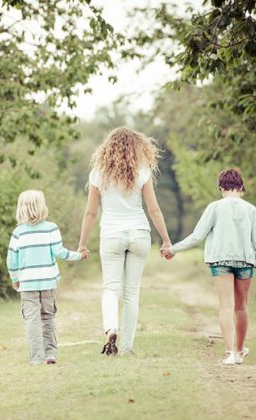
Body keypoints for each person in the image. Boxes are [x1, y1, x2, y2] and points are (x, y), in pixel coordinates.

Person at [77, 127, 172, 356]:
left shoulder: (98, 174)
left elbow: (90, 213)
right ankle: (127, 347)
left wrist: (82, 243)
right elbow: (154, 209)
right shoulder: (143, 172)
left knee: (111, 288)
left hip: (111, 234)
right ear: (137, 146)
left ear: (107, 148)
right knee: (131, 293)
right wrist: (166, 240)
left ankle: (111, 327)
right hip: (139, 233)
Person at [162, 168, 256, 365]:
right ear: (241, 187)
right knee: (241, 306)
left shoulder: (214, 207)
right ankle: (239, 351)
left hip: (220, 262)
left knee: (226, 306)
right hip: (246, 262)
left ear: (221, 187)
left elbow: (197, 236)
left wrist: (173, 249)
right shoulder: (250, 209)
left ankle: (231, 354)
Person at [7, 190, 87, 365]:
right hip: (48, 282)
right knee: (48, 316)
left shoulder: (18, 233)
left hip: (27, 284)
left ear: (21, 208)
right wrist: (79, 256)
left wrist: (15, 279)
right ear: (42, 206)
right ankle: (50, 353)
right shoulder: (51, 228)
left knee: (32, 319)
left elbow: (11, 260)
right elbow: (60, 252)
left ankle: (36, 358)